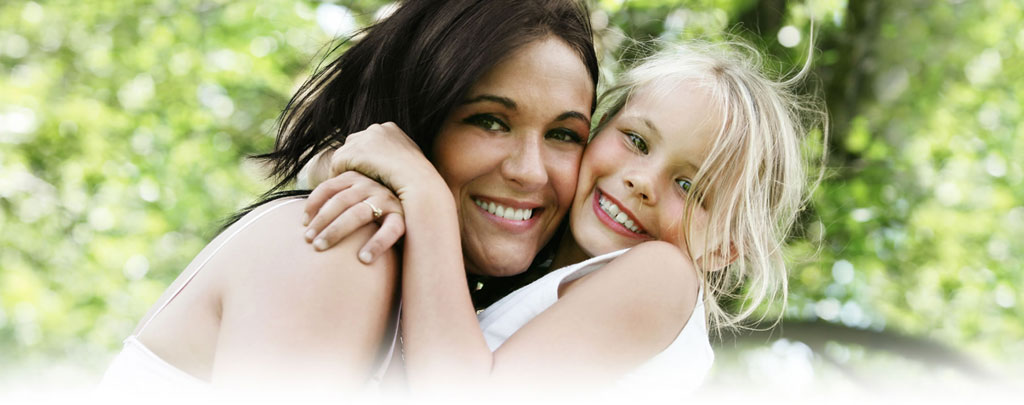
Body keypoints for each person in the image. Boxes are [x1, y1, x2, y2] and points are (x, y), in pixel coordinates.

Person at [98, 0, 599, 394]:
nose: (530, 171)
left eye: (563, 135)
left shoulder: (443, 319)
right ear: (419, 120)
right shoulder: (344, 245)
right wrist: (427, 197)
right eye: (489, 121)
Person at [304, 39, 825, 397]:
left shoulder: (664, 277)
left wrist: (426, 195)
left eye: (690, 187)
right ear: (597, 130)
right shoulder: (534, 279)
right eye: (636, 141)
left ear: (724, 249)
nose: (643, 181)